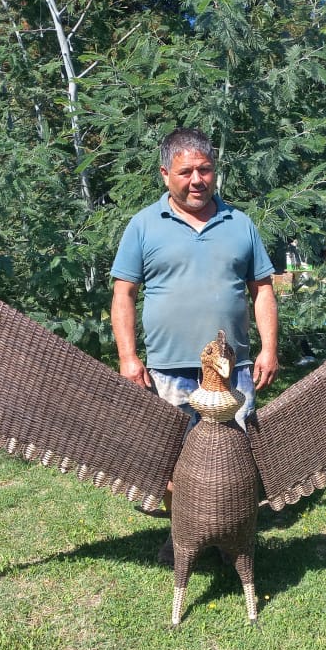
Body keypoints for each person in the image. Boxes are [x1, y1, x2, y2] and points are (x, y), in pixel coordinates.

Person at [110, 127, 279, 428]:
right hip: (167, 374)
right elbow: (124, 294)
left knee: (235, 452)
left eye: (205, 169)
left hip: (232, 371)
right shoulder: (143, 226)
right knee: (169, 453)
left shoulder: (240, 224)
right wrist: (128, 357)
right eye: (185, 172)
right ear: (165, 174)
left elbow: (263, 291)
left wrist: (269, 350)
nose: (197, 180)